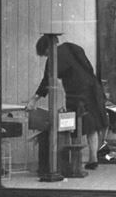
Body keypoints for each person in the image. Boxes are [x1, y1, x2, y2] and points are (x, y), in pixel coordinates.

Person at [31, 35, 109, 173]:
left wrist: (34, 100)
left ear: (47, 48)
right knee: (92, 126)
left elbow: (46, 81)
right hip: (93, 89)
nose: (47, 56)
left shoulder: (53, 59)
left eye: (46, 53)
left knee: (72, 127)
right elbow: (87, 67)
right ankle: (93, 159)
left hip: (76, 93)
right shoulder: (72, 47)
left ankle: (74, 163)